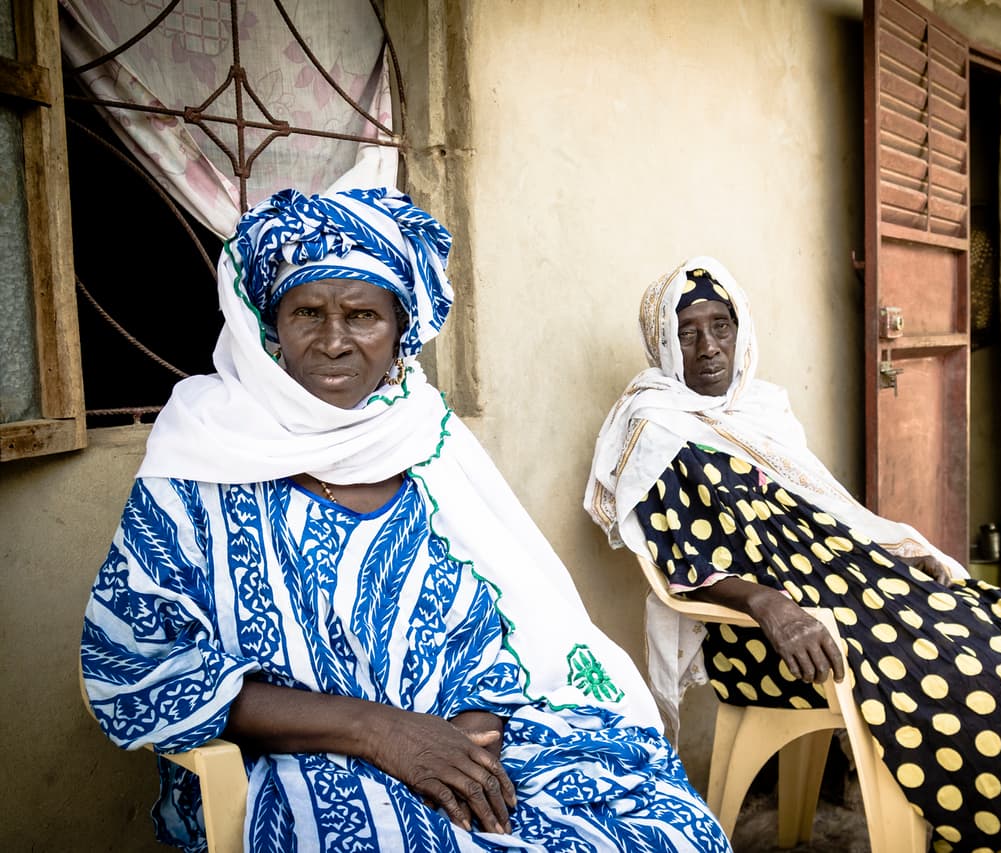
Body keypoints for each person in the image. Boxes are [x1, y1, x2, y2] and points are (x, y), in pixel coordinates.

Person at [80, 188, 730, 853]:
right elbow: (134, 659)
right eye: (308, 311)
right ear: (271, 326)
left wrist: (473, 732)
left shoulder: (424, 442)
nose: (333, 341)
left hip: (466, 736)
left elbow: (498, 618)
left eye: (362, 315)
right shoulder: (199, 459)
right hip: (297, 764)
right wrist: (380, 730)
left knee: (672, 829)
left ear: (399, 332)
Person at [585, 257, 1001, 853]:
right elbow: (678, 568)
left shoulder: (759, 410)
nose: (708, 347)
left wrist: (893, 554)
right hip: (770, 637)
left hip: (852, 588)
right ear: (662, 342)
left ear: (741, 328)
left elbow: (822, 512)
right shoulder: (656, 430)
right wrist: (767, 603)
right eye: (687, 331)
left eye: (720, 325)